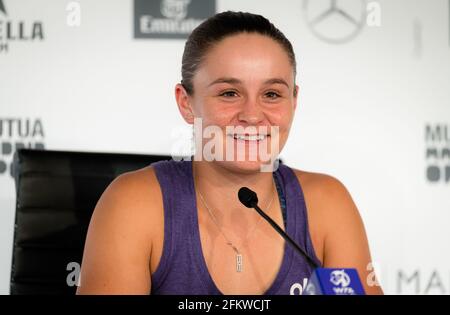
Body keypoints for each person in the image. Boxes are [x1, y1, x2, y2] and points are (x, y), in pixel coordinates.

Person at [76, 11, 383, 295]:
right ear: (186, 103)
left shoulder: (327, 204)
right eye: (229, 93)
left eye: (272, 94)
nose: (252, 115)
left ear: (294, 100)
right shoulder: (133, 204)